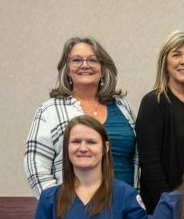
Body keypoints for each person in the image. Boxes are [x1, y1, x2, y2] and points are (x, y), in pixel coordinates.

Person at [26, 37, 136, 195]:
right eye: (77, 60)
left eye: (93, 60)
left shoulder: (123, 106)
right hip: (73, 211)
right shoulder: (49, 110)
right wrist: (57, 203)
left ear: (103, 68)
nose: (85, 65)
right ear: (68, 69)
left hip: (126, 208)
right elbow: (35, 166)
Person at [137, 31, 184, 213]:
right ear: (165, 63)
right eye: (176, 55)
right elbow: (150, 164)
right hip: (166, 208)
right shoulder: (153, 103)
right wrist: (170, 206)